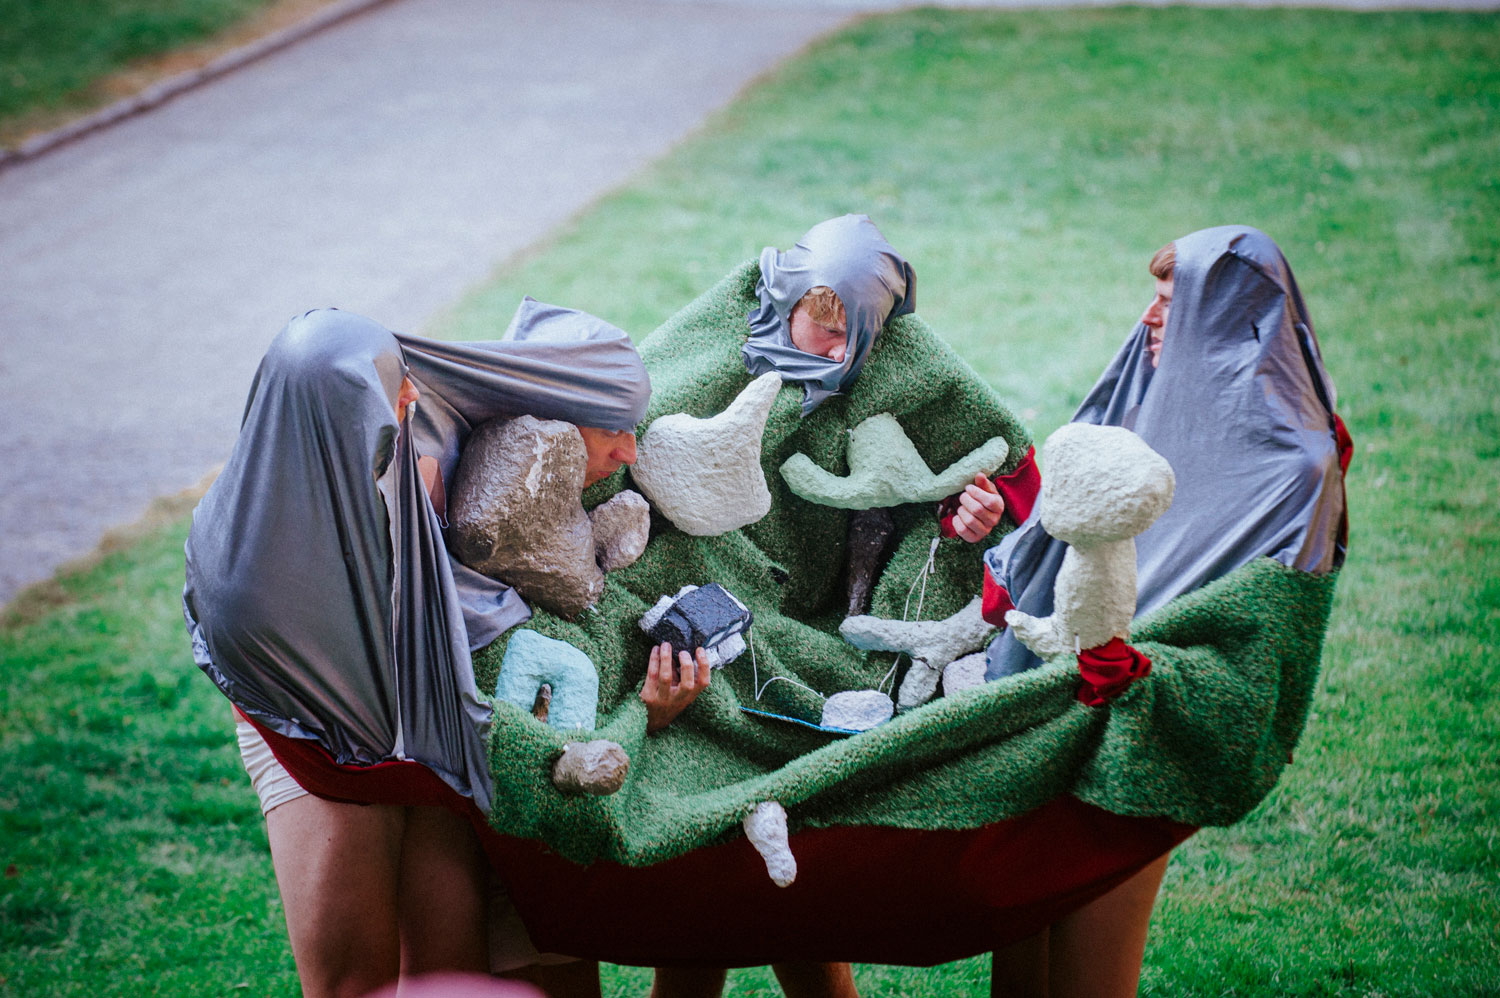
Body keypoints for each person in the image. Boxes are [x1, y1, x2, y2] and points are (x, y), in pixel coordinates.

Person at [184, 301, 649, 998]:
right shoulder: (248, 561)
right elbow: (272, 653)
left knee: (450, 962)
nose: (410, 395)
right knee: (353, 977)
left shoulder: (406, 453)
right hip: (315, 738)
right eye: (388, 390)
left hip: (424, 726)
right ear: (333, 419)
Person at [982, 225, 1350, 996]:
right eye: (1152, 299)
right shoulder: (1145, 399)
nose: (1149, 318)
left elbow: (1265, 641)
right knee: (1017, 949)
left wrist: (1143, 672)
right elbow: (1064, 528)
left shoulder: (1296, 469)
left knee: (1090, 963)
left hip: (1143, 738)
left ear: (1229, 317)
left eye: (1171, 304)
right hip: (1052, 710)